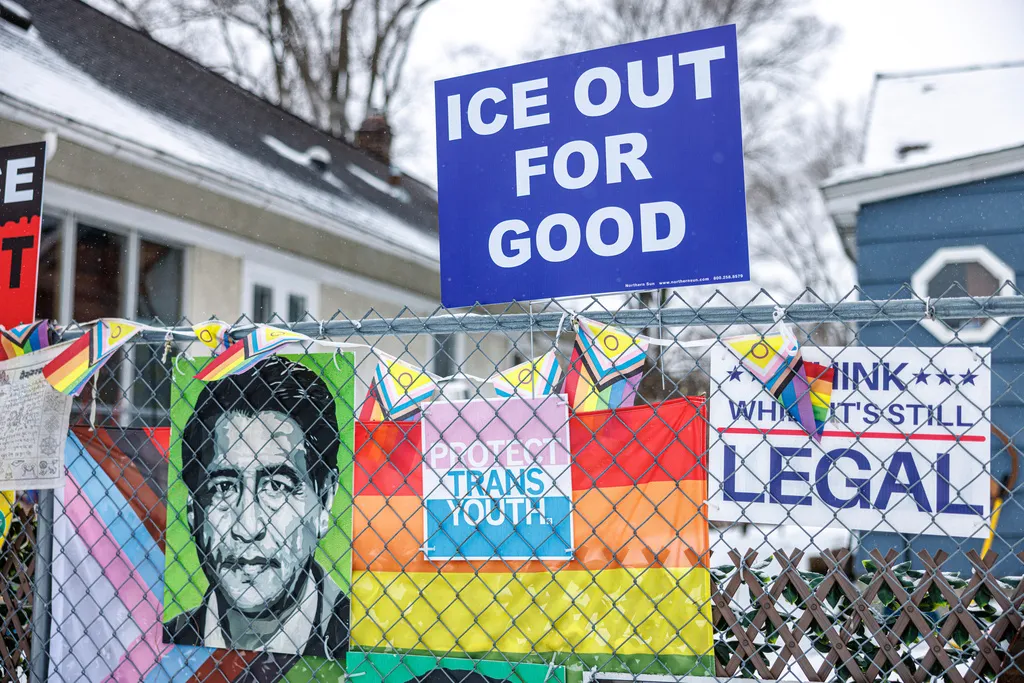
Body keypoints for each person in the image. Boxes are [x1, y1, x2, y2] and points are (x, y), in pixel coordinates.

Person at [164, 357, 348, 657]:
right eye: (223, 486)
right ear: (193, 508)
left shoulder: (364, 642)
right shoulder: (164, 644)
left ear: (324, 500)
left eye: (277, 486)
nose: (248, 527)